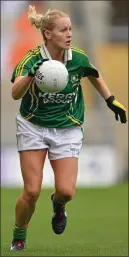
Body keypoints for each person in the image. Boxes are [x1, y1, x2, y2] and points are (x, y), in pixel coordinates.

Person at [10, 5, 127, 251]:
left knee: (66, 191)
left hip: (67, 128)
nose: (69, 34)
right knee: (31, 191)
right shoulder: (31, 59)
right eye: (63, 30)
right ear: (48, 34)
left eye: (71, 29)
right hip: (33, 126)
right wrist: (31, 76)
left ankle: (58, 205)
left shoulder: (78, 58)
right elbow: (14, 93)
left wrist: (110, 100)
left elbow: (94, 74)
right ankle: (19, 235)